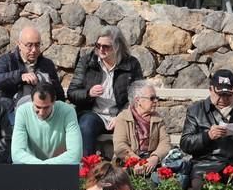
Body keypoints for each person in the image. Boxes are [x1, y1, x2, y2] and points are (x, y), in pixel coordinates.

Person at [67, 26, 143, 156]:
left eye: (106, 46)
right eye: (98, 45)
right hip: (94, 114)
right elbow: (72, 92)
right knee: (86, 125)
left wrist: (122, 115)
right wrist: (88, 93)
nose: (101, 49)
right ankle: (86, 169)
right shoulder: (87, 61)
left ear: (117, 47)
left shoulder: (131, 64)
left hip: (121, 114)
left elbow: (138, 96)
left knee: (134, 128)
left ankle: (132, 170)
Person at [0, 25, 65, 123]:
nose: (34, 50)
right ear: (19, 44)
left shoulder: (47, 64)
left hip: (42, 112)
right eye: (29, 45)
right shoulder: (7, 60)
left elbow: (60, 96)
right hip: (12, 110)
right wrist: (20, 76)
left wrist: (49, 83)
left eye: (37, 45)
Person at [11, 82, 81, 164]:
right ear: (32, 100)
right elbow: (16, 154)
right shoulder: (22, 111)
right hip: (30, 166)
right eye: (38, 107)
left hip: (59, 166)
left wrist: (45, 165)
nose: (41, 112)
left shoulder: (68, 111)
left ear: (54, 101)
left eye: (46, 107)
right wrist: (42, 165)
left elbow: (75, 155)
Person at [113, 80, 170, 173]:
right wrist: (137, 161)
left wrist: (155, 158)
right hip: (128, 163)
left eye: (156, 98)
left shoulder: (157, 119)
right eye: (152, 98)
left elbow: (165, 142)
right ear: (138, 100)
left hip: (151, 163)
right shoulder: (123, 118)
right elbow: (120, 146)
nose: (155, 101)